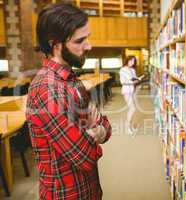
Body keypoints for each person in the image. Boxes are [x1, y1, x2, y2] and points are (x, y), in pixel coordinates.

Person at [25, 3, 111, 200]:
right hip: (66, 195)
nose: (88, 46)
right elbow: (85, 157)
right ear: (55, 45)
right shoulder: (47, 90)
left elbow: (105, 125)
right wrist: (95, 132)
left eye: (87, 38)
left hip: (88, 190)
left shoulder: (71, 80)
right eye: (80, 40)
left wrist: (98, 130)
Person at [119, 56, 141, 135]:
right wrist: (132, 82)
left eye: (133, 61)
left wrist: (138, 79)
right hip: (127, 91)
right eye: (131, 61)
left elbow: (134, 78)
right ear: (127, 60)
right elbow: (122, 82)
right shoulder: (122, 70)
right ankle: (127, 126)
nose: (132, 63)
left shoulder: (132, 69)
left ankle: (130, 126)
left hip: (133, 90)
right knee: (132, 109)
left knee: (134, 108)